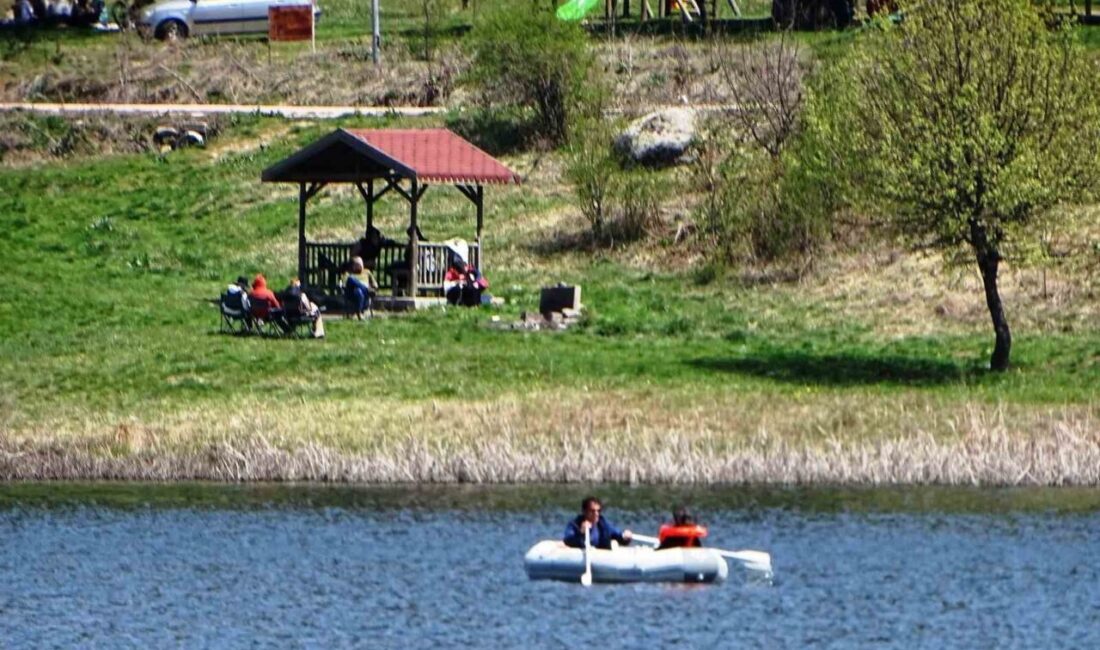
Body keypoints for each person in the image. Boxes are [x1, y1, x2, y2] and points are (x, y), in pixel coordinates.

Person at [563, 496, 633, 550]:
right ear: (584, 511)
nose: (596, 514)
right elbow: (568, 541)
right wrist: (581, 533)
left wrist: (625, 537)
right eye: (592, 511)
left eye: (598, 511)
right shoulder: (575, 524)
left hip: (601, 554)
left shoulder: (603, 524)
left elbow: (619, 536)